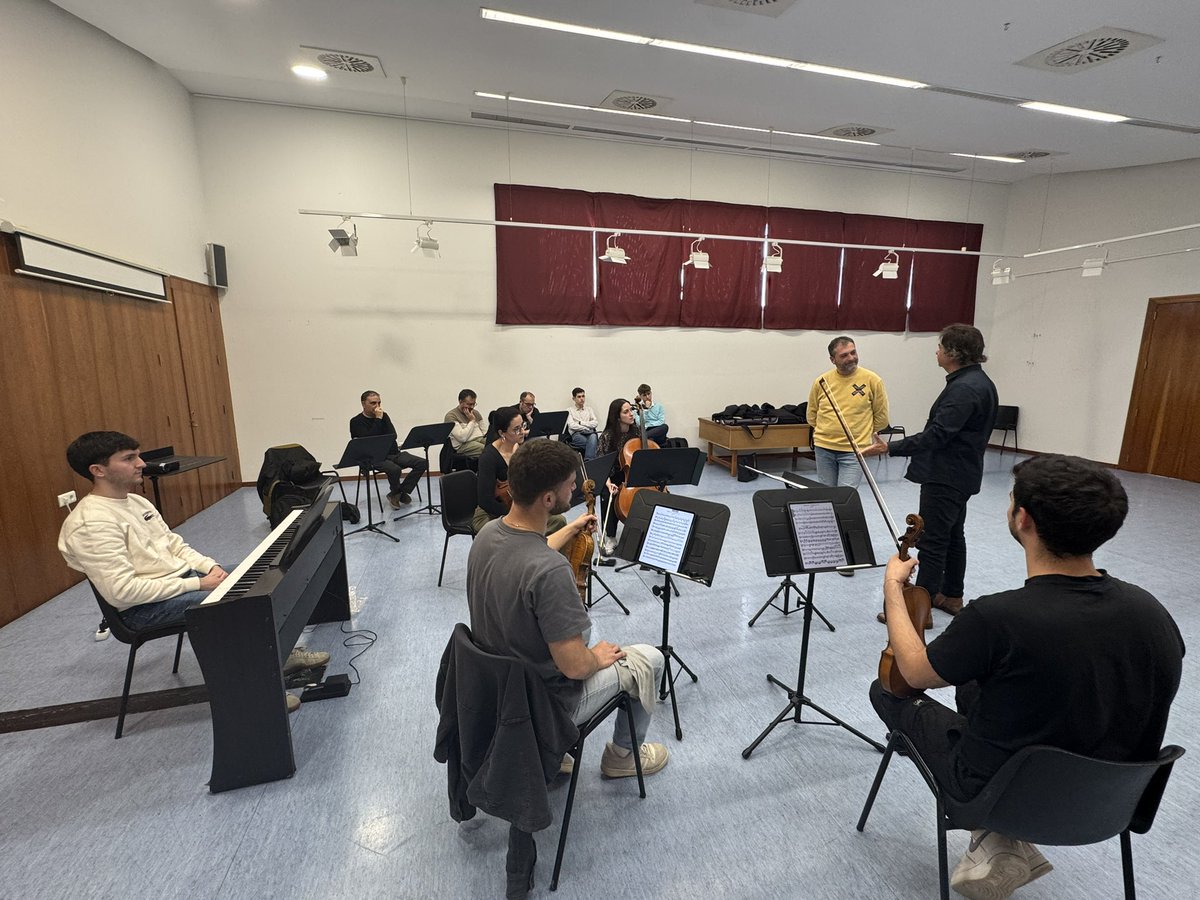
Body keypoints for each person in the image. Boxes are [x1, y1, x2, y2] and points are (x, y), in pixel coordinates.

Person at [870, 454, 1183, 900]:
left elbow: (914, 671)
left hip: (999, 796)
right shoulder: (1152, 612)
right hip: (1112, 801)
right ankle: (1000, 839)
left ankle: (994, 833)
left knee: (887, 692)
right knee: (975, 680)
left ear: (1022, 518)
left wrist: (892, 589)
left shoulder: (997, 618)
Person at [466, 438, 669, 894]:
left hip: (496, 688)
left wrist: (573, 526)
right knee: (648, 659)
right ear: (548, 498)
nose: (576, 487)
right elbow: (575, 667)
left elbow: (534, 546)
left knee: (586, 636)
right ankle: (622, 757)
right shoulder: (549, 572)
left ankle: (557, 755)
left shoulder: (488, 535)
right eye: (570, 485)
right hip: (544, 702)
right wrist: (598, 658)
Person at [57, 432, 329, 711]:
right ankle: (256, 692)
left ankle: (278, 655)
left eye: (138, 455)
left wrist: (209, 567)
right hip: (143, 608)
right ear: (98, 470)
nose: (141, 464)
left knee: (265, 572)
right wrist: (199, 585)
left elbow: (175, 546)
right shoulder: (91, 523)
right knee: (240, 603)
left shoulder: (137, 502)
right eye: (129, 459)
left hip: (180, 581)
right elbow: (123, 593)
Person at [863, 324, 997, 621]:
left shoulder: (964, 388)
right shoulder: (978, 381)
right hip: (962, 473)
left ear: (953, 352)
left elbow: (938, 435)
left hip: (946, 476)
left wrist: (890, 448)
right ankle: (951, 596)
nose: (936, 352)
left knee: (933, 541)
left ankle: (916, 612)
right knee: (953, 536)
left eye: (940, 347)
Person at [806, 335, 889, 488]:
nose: (851, 358)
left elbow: (881, 417)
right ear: (833, 360)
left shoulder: (873, 380)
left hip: (855, 450)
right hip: (824, 448)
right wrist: (828, 432)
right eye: (844, 355)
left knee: (845, 496)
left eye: (853, 352)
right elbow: (812, 414)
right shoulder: (822, 381)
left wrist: (862, 434)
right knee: (826, 493)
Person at [474, 406, 566, 537]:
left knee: (558, 521)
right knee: (520, 532)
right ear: (502, 433)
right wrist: (516, 515)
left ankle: (541, 549)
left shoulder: (522, 450)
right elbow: (485, 501)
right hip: (492, 512)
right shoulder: (488, 457)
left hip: (519, 505)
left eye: (522, 426)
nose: (522, 431)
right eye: (516, 429)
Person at [350, 390, 428, 509]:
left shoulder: (384, 416)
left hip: (393, 453)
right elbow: (368, 440)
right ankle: (398, 493)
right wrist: (378, 419)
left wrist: (381, 419)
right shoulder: (356, 422)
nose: (377, 406)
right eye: (373, 403)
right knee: (394, 469)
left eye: (379, 403)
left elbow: (393, 435)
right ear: (363, 403)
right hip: (373, 457)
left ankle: (398, 492)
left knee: (422, 463)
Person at [596, 398, 637, 554]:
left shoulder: (637, 432)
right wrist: (607, 483)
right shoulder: (607, 436)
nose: (631, 414)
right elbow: (601, 464)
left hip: (633, 473)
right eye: (626, 412)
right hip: (612, 475)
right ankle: (611, 537)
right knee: (608, 494)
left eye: (631, 410)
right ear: (617, 416)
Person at [444, 388, 486, 459]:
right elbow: (462, 438)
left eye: (473, 404)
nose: (471, 407)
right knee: (486, 450)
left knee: (496, 446)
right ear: (460, 402)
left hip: (480, 438)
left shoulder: (476, 413)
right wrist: (472, 421)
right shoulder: (451, 416)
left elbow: (485, 432)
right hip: (464, 444)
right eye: (469, 404)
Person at [565, 387, 599, 460]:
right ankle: (590, 462)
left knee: (593, 437)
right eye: (579, 397)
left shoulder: (589, 409)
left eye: (583, 396)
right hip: (577, 434)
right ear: (574, 398)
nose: (582, 399)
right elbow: (572, 426)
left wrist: (581, 423)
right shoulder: (569, 411)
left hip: (589, 433)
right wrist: (586, 427)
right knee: (593, 443)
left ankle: (588, 461)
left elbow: (595, 423)